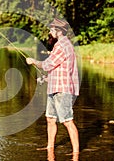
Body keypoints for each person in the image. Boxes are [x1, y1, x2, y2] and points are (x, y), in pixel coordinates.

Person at [26, 18, 80, 154]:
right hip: (55, 87)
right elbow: (59, 68)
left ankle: (76, 153)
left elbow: (47, 64)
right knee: (50, 119)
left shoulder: (62, 45)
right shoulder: (63, 44)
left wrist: (33, 61)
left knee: (67, 121)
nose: (50, 32)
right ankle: (50, 148)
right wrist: (47, 78)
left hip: (62, 90)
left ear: (59, 31)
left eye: (51, 30)